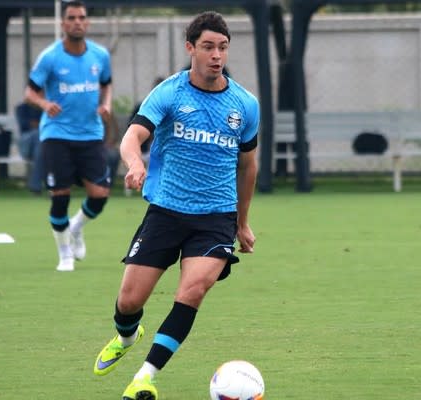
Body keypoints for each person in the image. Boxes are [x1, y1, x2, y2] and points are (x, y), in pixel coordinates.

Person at [92, 11, 259, 400]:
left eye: (222, 47)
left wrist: (243, 222)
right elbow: (132, 137)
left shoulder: (245, 104)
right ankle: (127, 334)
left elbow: (248, 165)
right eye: (207, 47)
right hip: (167, 211)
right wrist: (135, 164)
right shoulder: (170, 92)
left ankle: (144, 377)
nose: (216, 55)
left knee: (193, 292)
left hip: (216, 217)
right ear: (190, 49)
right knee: (129, 300)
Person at [23, 0, 113, 272]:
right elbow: (30, 92)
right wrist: (43, 104)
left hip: (90, 133)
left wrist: (107, 104)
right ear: (63, 24)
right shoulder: (50, 57)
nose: (77, 22)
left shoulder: (100, 55)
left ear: (88, 23)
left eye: (81, 17)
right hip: (57, 135)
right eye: (71, 17)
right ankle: (64, 255)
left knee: (100, 194)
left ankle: (75, 228)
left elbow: (106, 84)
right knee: (60, 196)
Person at [15, 102, 44, 194]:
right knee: (38, 135)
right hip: (27, 145)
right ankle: (37, 185)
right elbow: (25, 125)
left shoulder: (46, 107)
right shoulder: (22, 108)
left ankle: (36, 186)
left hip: (42, 145)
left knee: (41, 148)